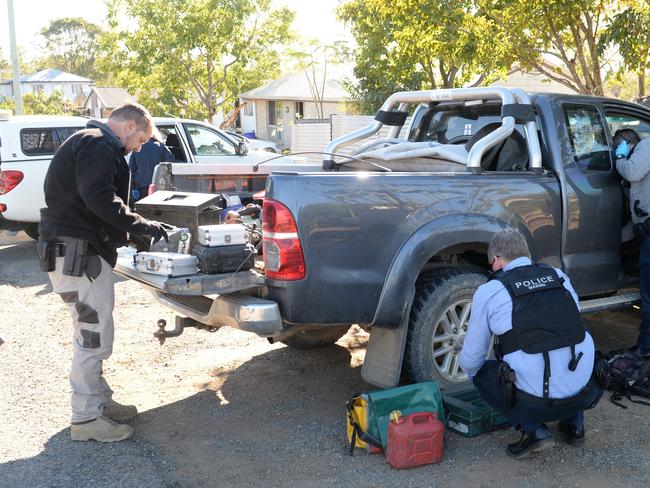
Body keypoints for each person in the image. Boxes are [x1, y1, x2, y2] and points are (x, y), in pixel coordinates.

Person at [38, 103, 170, 442]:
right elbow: (99, 198)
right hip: (78, 254)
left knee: (90, 330)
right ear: (128, 126)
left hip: (68, 251)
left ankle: (99, 402)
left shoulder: (87, 140)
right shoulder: (99, 143)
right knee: (93, 335)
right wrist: (143, 227)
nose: (139, 148)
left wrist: (128, 233)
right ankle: (85, 419)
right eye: (140, 139)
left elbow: (91, 201)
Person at [459, 229, 602, 459]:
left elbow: (473, 356)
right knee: (566, 348)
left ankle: (534, 430)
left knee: (480, 372)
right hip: (584, 390)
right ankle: (575, 425)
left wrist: (473, 374)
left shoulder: (491, 290)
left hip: (536, 401)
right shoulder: (558, 275)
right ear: (525, 254)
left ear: (496, 259)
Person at [614, 128, 650, 358]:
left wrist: (620, 157)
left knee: (648, 297)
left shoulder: (646, 146)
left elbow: (632, 172)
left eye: (618, 145)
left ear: (628, 142)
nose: (616, 150)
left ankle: (645, 350)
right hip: (645, 232)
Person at [128, 135, 175, 202]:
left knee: (143, 209)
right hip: (159, 186)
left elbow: (131, 170)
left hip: (142, 188)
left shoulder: (137, 147)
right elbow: (170, 163)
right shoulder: (161, 146)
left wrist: (133, 187)